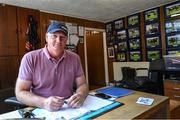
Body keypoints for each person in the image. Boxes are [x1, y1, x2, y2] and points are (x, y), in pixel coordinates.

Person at [15, 21, 88, 111]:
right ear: (46, 37)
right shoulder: (30, 58)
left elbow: (82, 84)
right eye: (54, 36)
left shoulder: (75, 58)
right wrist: (44, 103)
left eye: (62, 37)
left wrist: (80, 95)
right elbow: (20, 92)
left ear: (66, 40)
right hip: (41, 108)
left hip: (68, 107)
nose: (58, 41)